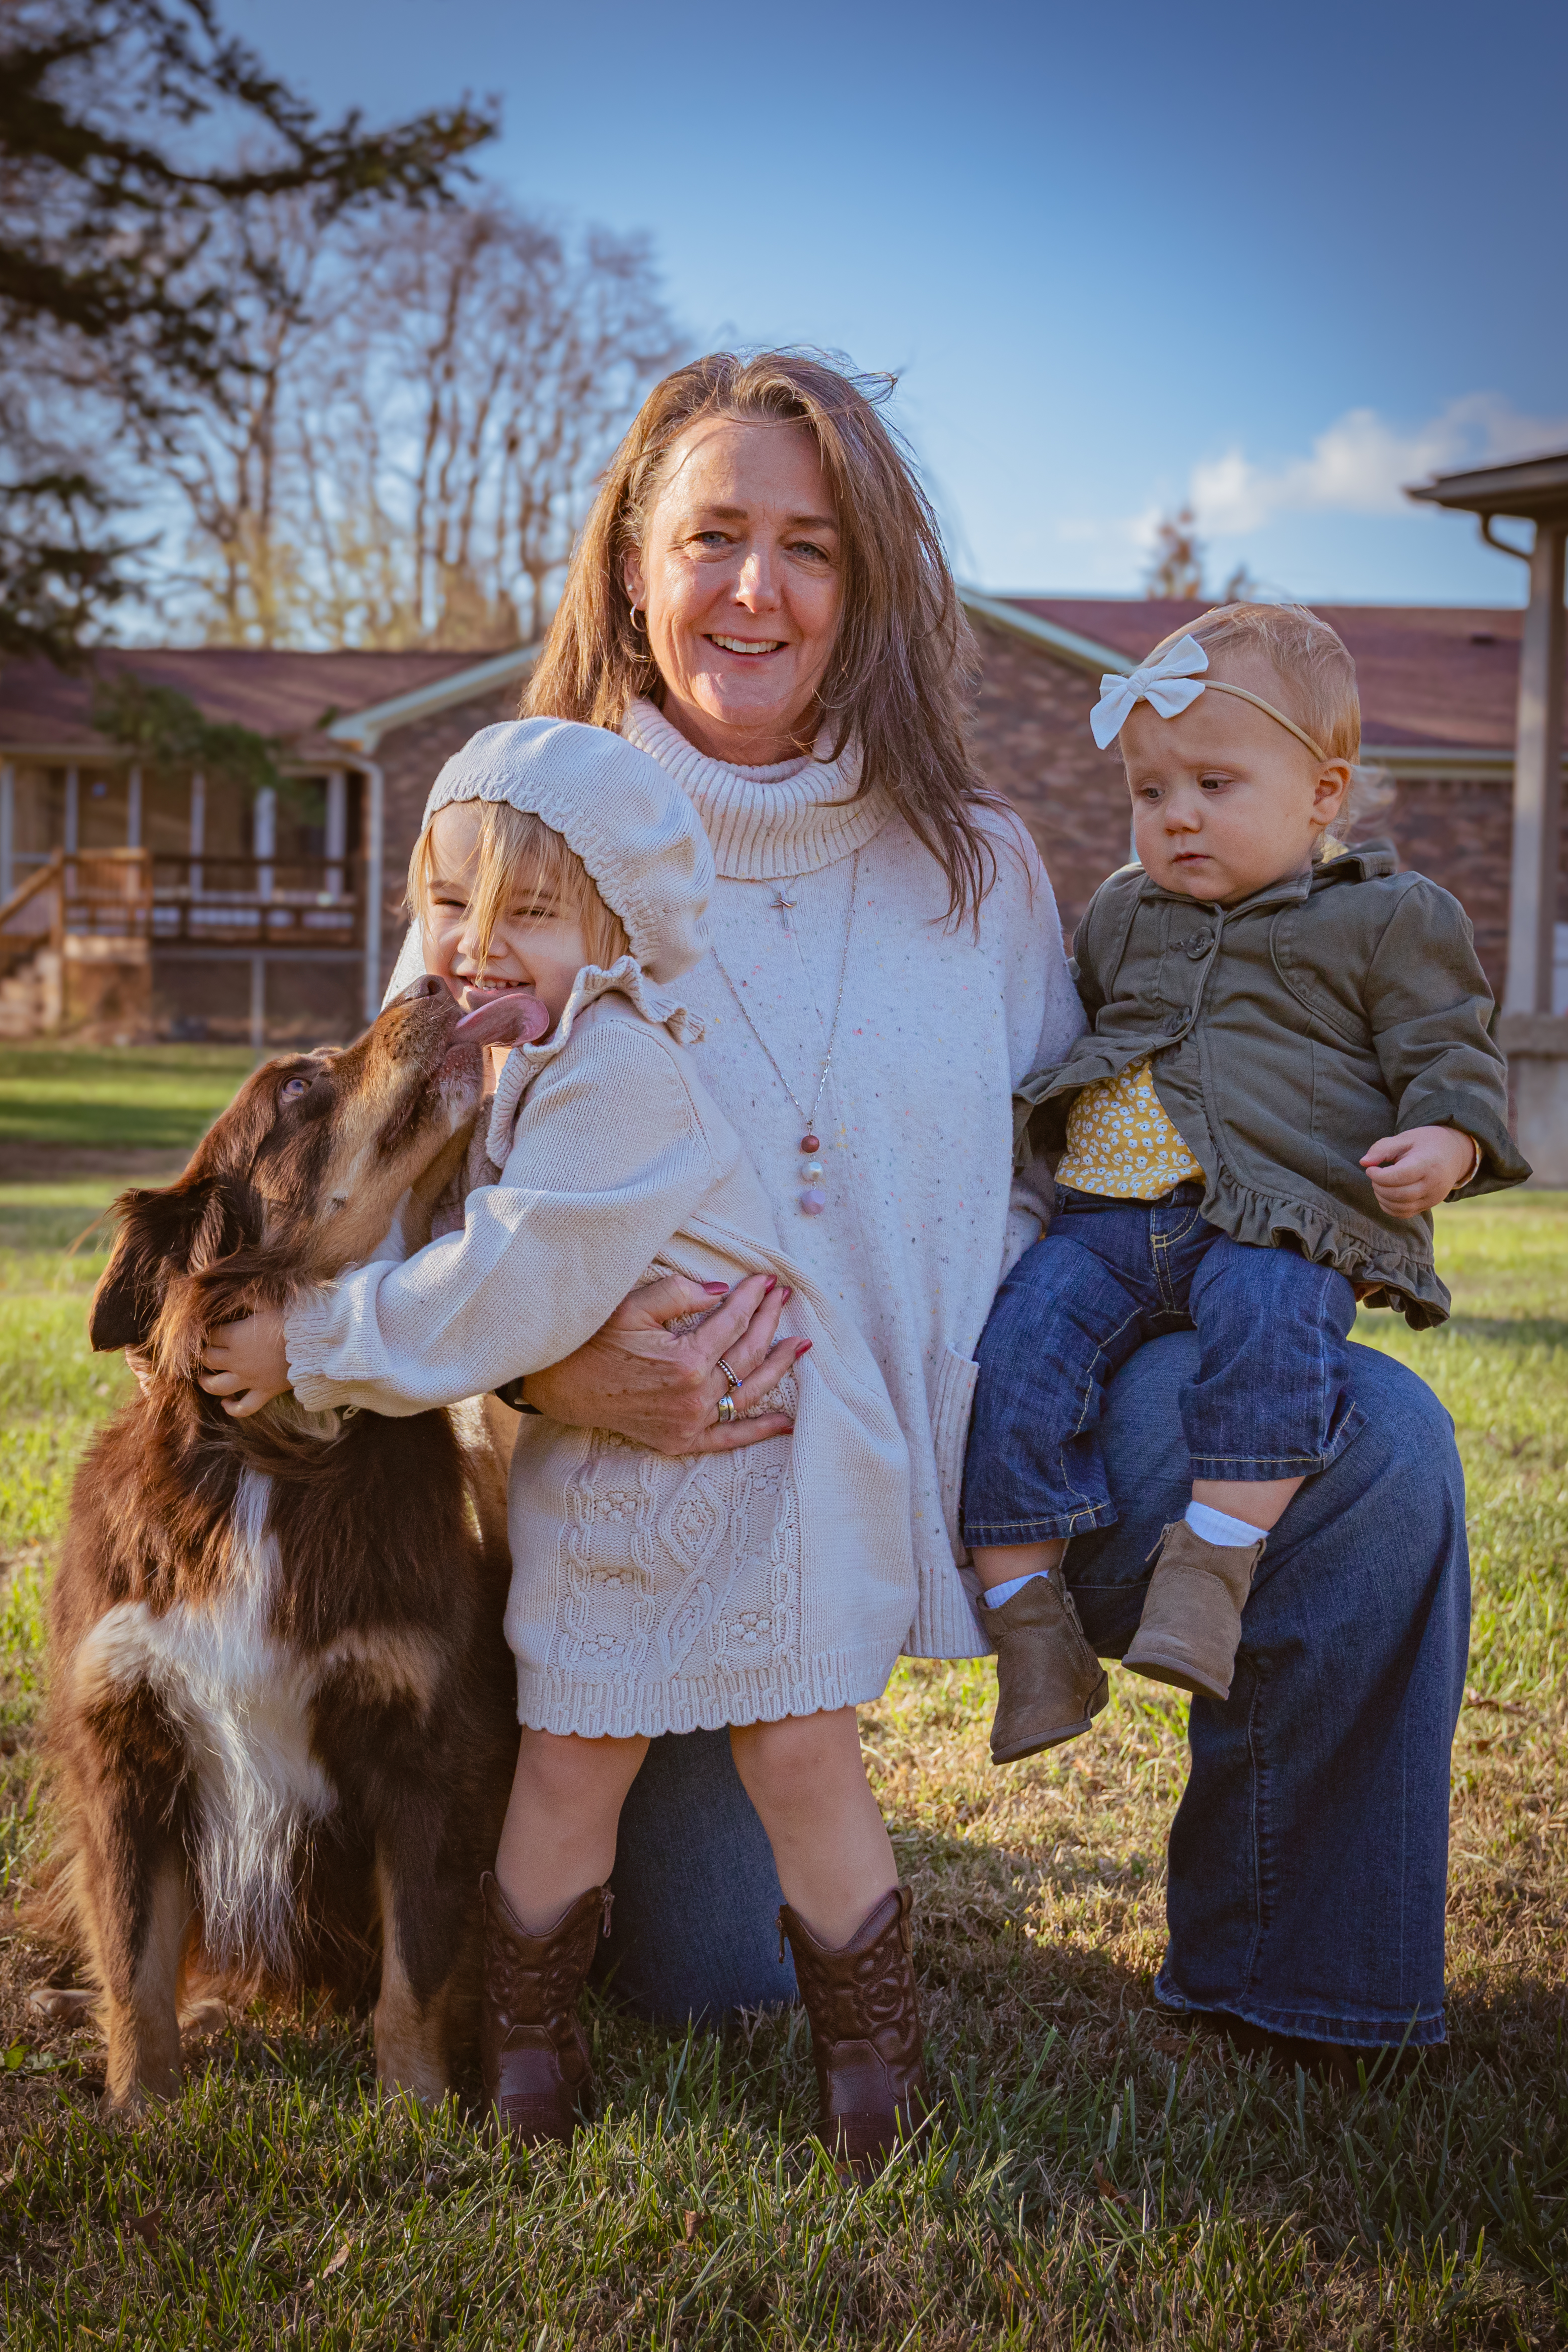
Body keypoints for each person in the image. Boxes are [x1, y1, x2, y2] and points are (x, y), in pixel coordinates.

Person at [205, 351, 1473, 2067]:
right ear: (632, 570)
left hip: (982, 1450)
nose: (755, 587)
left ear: (863, 580)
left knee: (1372, 1442)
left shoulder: (976, 862)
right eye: (711, 535)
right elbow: (395, 1230)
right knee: (702, 1983)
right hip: (675, 1505)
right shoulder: (506, 855)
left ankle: (1291, 1976)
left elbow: (1079, 1172)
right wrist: (547, 1380)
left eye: (808, 546)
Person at [204, 716, 933, 2165]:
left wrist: (316, 1342)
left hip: (757, 1468)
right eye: (450, 903)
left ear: (616, 934)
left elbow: (510, 1285)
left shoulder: (618, 1076)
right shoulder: (499, 1077)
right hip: (601, 1490)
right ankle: (527, 2044)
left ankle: (870, 2064)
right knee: (566, 1762)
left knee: (799, 1756)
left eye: (531, 914)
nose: (477, 947)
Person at [960, 604, 1527, 1758]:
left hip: (1274, 1215)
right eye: (1150, 790)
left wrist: (1449, 1142)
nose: (1175, 816)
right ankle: (1030, 1630)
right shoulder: (1124, 913)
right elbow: (1080, 1021)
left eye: (1214, 783)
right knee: (1014, 1355)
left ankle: (1205, 1581)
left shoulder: (1382, 919)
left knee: (1276, 1332)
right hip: (1107, 1217)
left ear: (1322, 793)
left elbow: (1450, 1051)